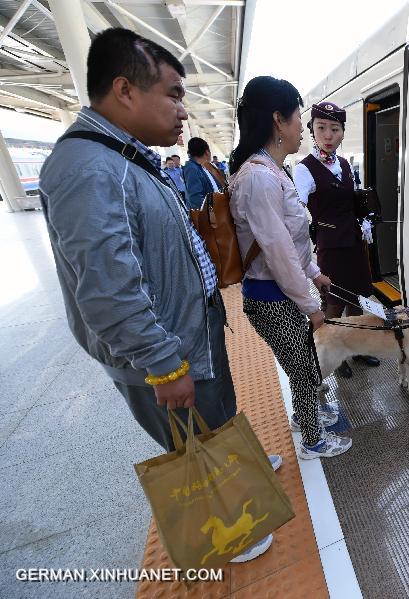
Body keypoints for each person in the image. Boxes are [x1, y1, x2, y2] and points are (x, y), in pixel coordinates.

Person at [39, 28, 275, 562]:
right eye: (173, 94)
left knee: (217, 412)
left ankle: (240, 467)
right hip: (165, 351)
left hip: (189, 330)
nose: (184, 111)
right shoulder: (89, 169)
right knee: (192, 437)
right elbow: (107, 289)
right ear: (125, 90)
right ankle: (230, 528)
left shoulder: (122, 157)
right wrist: (164, 365)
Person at [229, 76, 352, 459]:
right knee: (304, 369)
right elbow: (279, 253)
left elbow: (293, 242)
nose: (304, 127)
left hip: (280, 294)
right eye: (300, 118)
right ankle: (313, 442)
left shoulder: (272, 170)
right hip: (271, 298)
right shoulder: (260, 178)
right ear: (278, 120)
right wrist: (311, 305)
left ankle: (307, 417)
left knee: (303, 365)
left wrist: (314, 273)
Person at [294, 101, 379, 379]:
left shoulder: (343, 164)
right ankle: (334, 352)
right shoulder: (304, 169)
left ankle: (356, 347)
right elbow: (296, 206)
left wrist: (365, 217)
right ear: (312, 130)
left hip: (354, 243)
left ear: (342, 133)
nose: (328, 135)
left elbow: (352, 199)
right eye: (321, 128)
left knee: (358, 300)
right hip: (331, 246)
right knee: (333, 303)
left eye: (335, 129)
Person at [183, 137, 224, 209]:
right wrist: (213, 209)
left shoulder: (202, 166)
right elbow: (195, 197)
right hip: (207, 214)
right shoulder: (192, 168)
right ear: (207, 152)